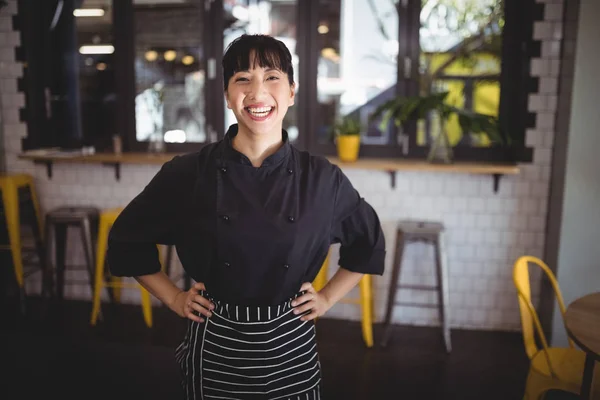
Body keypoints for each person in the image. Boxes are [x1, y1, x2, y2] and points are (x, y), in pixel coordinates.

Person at [107, 34, 386, 400]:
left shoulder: (321, 178)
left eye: (272, 77)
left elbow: (366, 241)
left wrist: (328, 298)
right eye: (242, 79)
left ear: (291, 91)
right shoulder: (189, 173)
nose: (257, 92)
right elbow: (128, 237)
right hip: (216, 347)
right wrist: (174, 298)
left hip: (291, 348)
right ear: (226, 94)